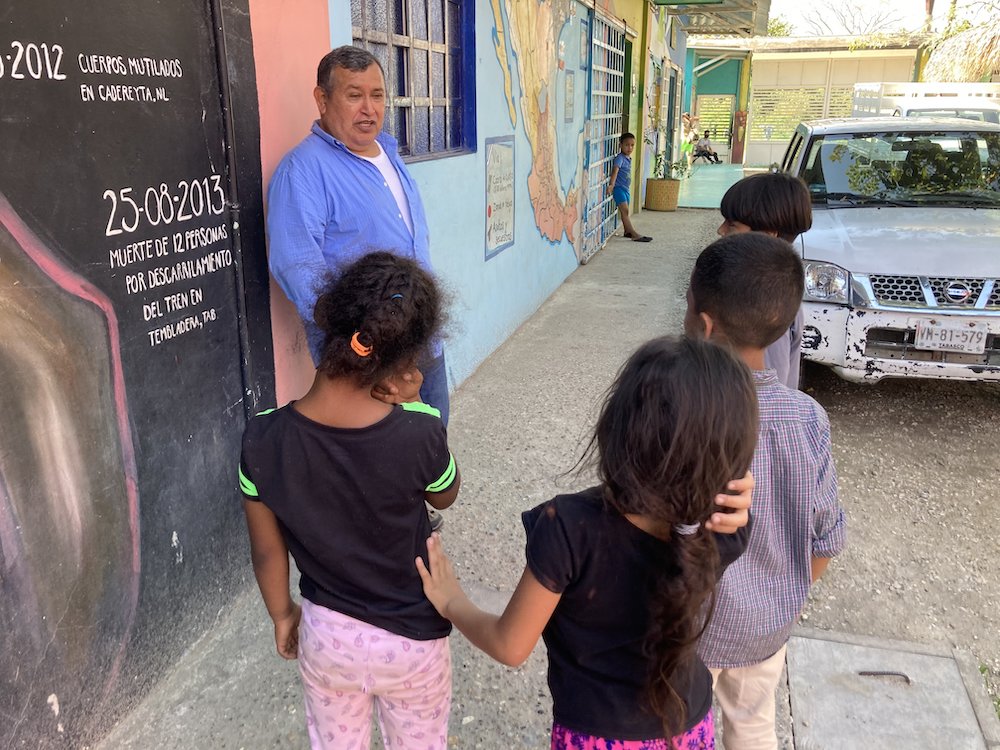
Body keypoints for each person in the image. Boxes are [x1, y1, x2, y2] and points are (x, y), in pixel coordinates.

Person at [416, 336, 761, 749]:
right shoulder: (722, 530)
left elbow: (511, 646)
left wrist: (452, 600)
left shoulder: (568, 527)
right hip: (689, 726)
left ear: (616, 426)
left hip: (597, 737)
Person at [239, 251, 461, 750]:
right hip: (413, 642)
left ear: (330, 321)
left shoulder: (261, 441)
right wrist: (418, 408)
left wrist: (282, 614)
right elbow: (444, 494)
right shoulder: (419, 430)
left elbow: (267, 552)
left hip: (328, 640)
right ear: (404, 365)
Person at [266, 45, 449, 529]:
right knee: (376, 458)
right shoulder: (303, 171)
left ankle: (415, 520)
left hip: (422, 336)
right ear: (322, 100)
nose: (369, 109)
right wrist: (361, 346)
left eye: (377, 95)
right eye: (354, 96)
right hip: (369, 355)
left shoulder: (388, 155)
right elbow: (295, 264)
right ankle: (383, 543)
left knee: (427, 438)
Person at [686, 234, 847, 750]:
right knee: (754, 727)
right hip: (769, 628)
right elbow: (826, 538)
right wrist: (785, 597)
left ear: (704, 325)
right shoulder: (808, 418)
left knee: (676, 727)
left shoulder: (688, 416)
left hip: (691, 628)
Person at [716, 172, 813, 389]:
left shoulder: (767, 305)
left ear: (767, 235)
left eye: (732, 225)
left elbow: (767, 390)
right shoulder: (776, 288)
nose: (720, 231)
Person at [609, 132, 652, 242]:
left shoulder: (628, 158)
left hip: (625, 189)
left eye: (632, 145)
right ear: (620, 145)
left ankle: (627, 231)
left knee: (625, 212)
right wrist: (611, 185)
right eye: (627, 145)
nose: (630, 148)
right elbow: (615, 171)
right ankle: (633, 234)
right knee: (625, 211)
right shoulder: (620, 158)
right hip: (618, 189)